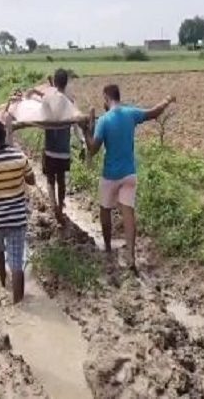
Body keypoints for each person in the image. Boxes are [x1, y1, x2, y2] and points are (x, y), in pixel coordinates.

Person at [83, 84, 176, 272]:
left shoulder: (104, 121)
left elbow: (93, 149)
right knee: (128, 215)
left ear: (106, 99)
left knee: (105, 211)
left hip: (110, 175)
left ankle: (108, 247)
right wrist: (167, 100)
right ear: (119, 97)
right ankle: (131, 257)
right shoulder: (131, 113)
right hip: (129, 174)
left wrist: (86, 131)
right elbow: (153, 113)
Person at [0, 120, 35, 304]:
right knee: (16, 261)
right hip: (17, 218)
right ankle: (18, 302)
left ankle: (3, 284)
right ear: (5, 136)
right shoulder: (19, 157)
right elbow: (32, 180)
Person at [26, 69, 85, 222]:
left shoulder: (47, 99)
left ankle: (54, 207)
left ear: (55, 82)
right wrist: (82, 144)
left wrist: (32, 94)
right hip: (64, 151)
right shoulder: (70, 101)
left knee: (50, 180)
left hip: (50, 149)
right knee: (61, 180)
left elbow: (40, 114)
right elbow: (77, 126)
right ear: (66, 83)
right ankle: (60, 206)